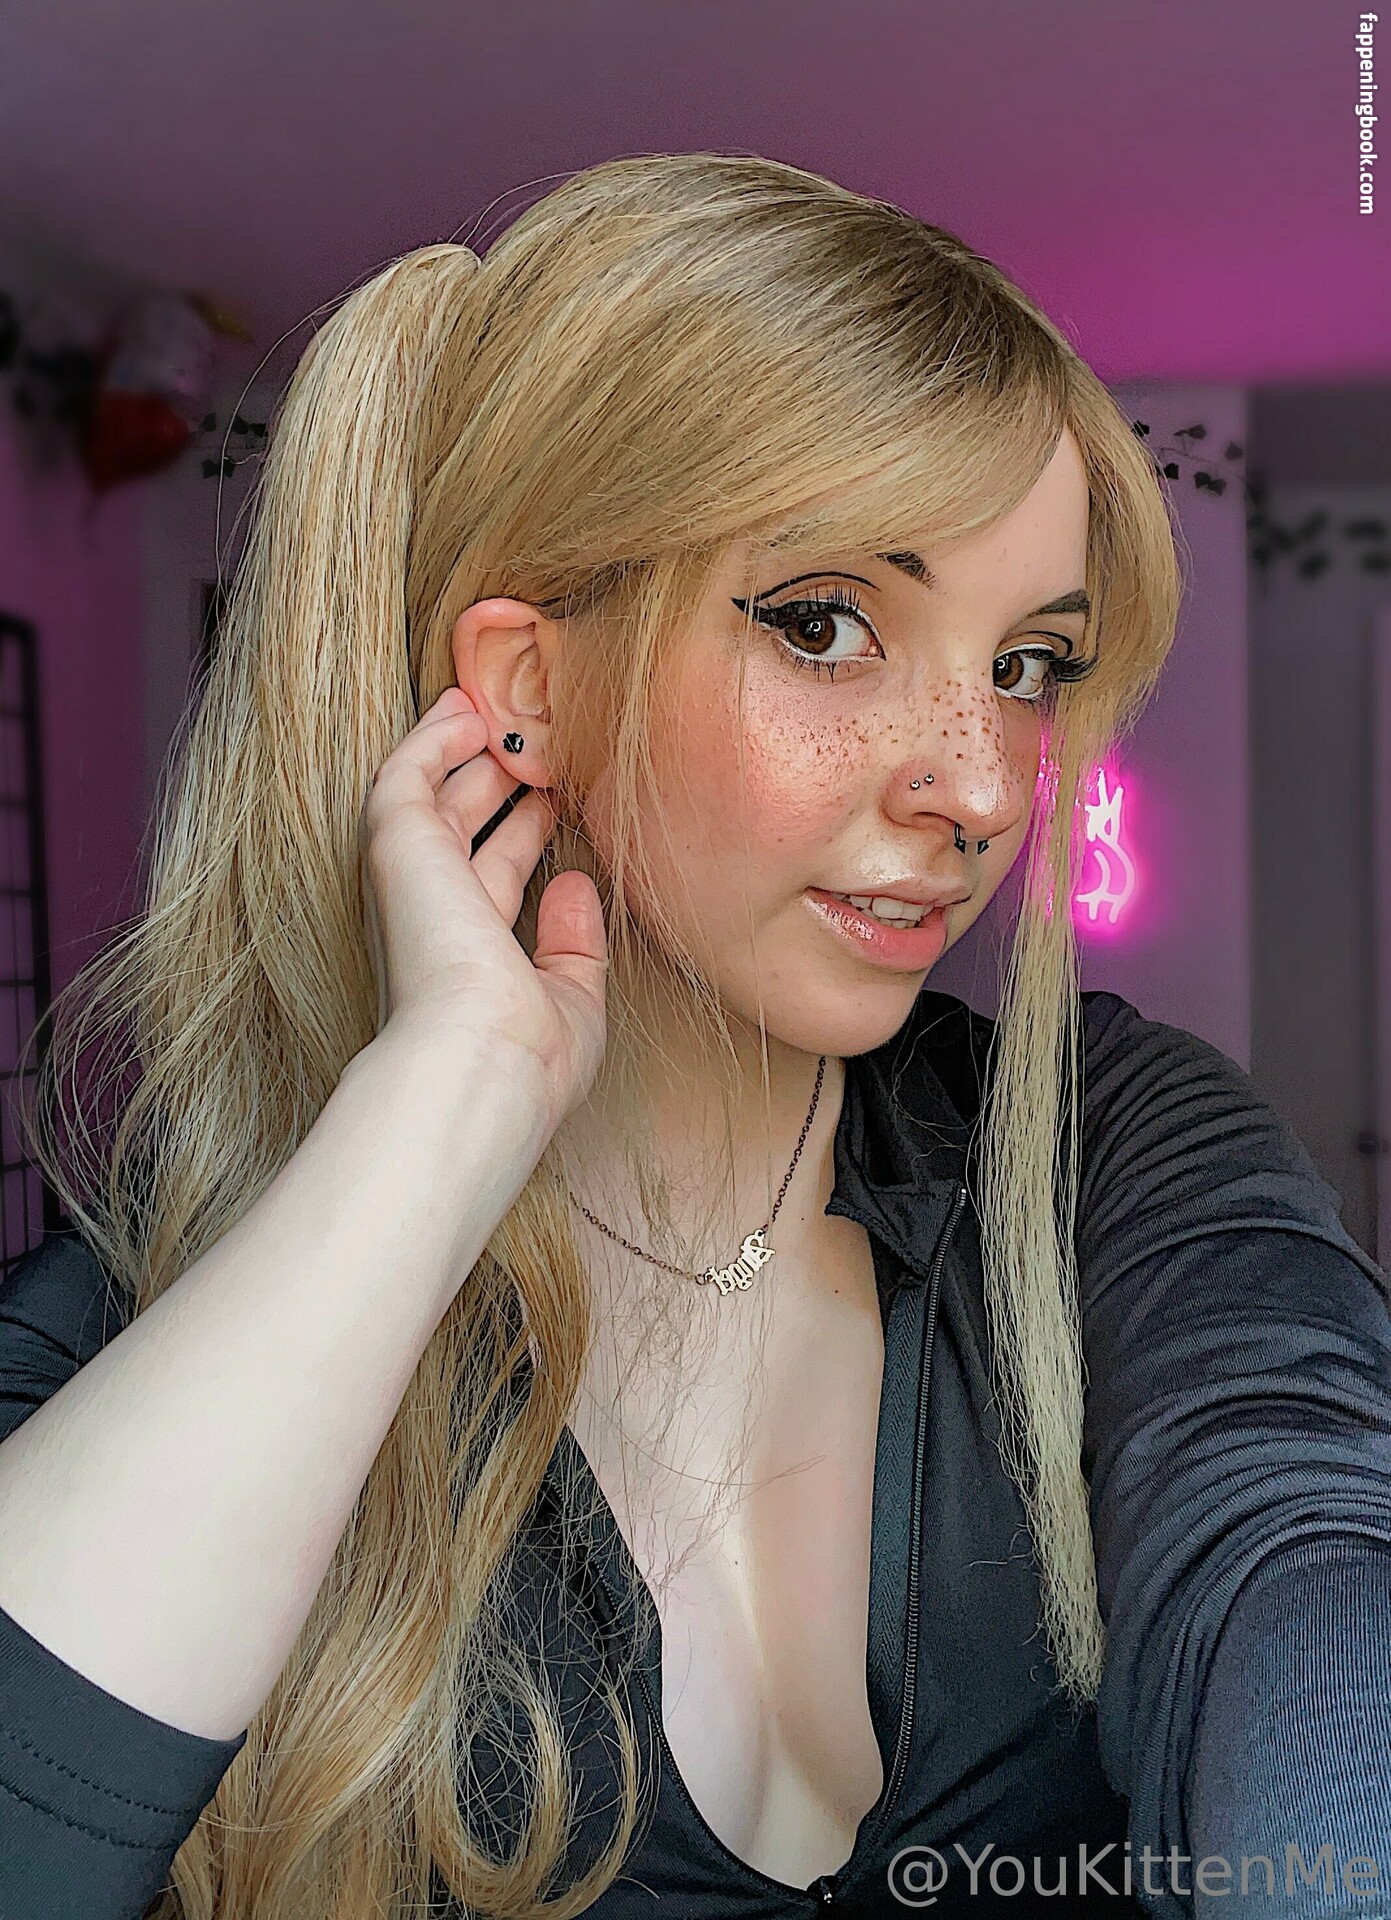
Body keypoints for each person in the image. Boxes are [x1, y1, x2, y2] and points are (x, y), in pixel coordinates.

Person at [1, 151, 1390, 1920]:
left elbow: (1307, 1550)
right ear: (529, 690)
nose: (980, 786)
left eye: (1027, 666)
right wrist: (441, 1107)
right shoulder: (172, 1319)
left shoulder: (1107, 1146)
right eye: (829, 626)